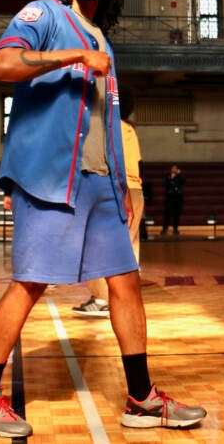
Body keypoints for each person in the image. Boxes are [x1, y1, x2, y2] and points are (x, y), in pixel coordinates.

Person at [0, 0, 205, 438]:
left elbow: (105, 125)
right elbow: (2, 66)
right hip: (52, 181)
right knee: (30, 283)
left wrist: (123, 188)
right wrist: (73, 56)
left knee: (125, 282)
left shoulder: (104, 40)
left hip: (102, 186)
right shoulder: (44, 14)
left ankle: (141, 399)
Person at [73, 85, 144, 318]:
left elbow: (118, 164)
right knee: (124, 246)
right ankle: (117, 297)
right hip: (127, 190)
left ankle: (104, 299)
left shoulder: (115, 129)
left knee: (104, 245)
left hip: (121, 190)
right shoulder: (126, 129)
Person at [161, 164, 185, 236]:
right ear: (171, 169)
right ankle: (165, 229)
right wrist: (171, 179)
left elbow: (183, 181)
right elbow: (165, 184)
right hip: (169, 198)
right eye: (173, 168)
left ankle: (175, 229)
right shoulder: (167, 176)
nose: (174, 169)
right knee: (167, 214)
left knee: (176, 214)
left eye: (175, 168)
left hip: (178, 198)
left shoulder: (180, 176)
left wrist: (179, 174)